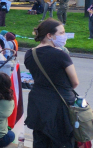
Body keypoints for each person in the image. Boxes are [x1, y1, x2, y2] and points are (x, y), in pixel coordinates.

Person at [24, 18, 79, 147]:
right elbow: (75, 82)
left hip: (38, 104)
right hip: (60, 106)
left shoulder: (29, 54)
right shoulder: (60, 55)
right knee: (62, 142)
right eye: (61, 33)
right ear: (49, 35)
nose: (64, 36)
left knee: (40, 141)